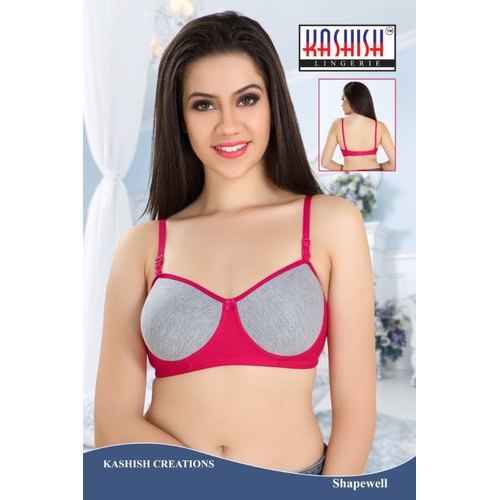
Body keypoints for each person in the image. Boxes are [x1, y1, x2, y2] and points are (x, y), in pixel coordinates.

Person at [94, 11, 376, 476]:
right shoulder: (142, 248)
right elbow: (112, 423)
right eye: (204, 105)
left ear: (272, 104)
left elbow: (356, 413)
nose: (228, 125)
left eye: (247, 99)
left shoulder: (331, 225)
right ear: (180, 118)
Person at [320, 81, 396, 172]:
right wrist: (377, 167)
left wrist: (344, 168)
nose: (341, 104)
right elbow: (394, 163)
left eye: (343, 99)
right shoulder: (380, 126)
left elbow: (325, 163)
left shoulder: (337, 125)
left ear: (352, 100)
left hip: (350, 174)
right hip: (375, 174)